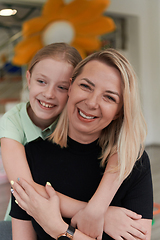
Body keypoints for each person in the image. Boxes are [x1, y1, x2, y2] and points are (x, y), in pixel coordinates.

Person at [10, 48, 153, 240]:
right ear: (70, 87)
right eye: (86, 86)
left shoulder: (134, 163)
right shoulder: (30, 155)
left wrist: (59, 229)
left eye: (109, 97)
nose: (92, 103)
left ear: (119, 111)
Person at [0, 42, 82, 221]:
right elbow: (24, 188)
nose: (49, 94)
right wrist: (93, 212)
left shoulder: (77, 122)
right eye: (41, 81)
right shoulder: (11, 122)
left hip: (67, 220)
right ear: (28, 79)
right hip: (23, 219)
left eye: (62, 87)